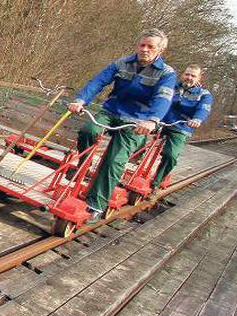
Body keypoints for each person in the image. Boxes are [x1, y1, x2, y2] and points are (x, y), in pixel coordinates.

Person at [67, 28, 177, 223]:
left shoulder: (167, 73)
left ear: (161, 50)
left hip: (137, 120)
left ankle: (96, 205)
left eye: (150, 47)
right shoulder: (123, 62)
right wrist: (81, 100)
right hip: (111, 111)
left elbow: (163, 98)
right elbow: (98, 81)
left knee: (114, 160)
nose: (144, 49)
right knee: (88, 130)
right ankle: (84, 165)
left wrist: (152, 120)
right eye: (142, 45)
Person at [150, 64, 212, 190]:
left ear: (199, 78)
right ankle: (135, 159)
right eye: (187, 74)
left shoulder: (204, 94)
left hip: (181, 126)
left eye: (193, 76)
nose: (189, 77)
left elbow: (203, 109)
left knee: (171, 155)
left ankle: (156, 182)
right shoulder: (172, 85)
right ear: (183, 74)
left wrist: (197, 119)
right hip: (160, 120)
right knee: (137, 132)